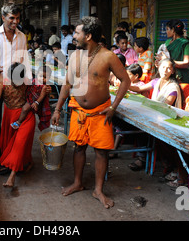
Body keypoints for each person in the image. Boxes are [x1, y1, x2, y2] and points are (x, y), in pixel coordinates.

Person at [51, 16, 131, 209]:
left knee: (101, 152)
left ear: (88, 35)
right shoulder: (75, 56)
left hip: (100, 113)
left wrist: (113, 107)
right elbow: (67, 84)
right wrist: (57, 109)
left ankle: (98, 190)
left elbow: (126, 81)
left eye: (77, 33)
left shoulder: (107, 56)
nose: (73, 36)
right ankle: (78, 183)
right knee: (78, 148)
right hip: (78, 113)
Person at [0, 4, 30, 175]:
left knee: (14, 123)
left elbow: (24, 60)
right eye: (11, 18)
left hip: (15, 87)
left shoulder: (22, 37)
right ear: (3, 17)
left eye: (17, 18)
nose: (15, 21)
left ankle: (10, 158)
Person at [0, 62, 35, 188]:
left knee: (20, 143)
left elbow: (38, 92)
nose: (16, 83)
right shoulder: (3, 83)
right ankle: (27, 161)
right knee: (12, 144)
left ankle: (12, 176)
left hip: (26, 116)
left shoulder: (28, 81)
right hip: (10, 117)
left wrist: (44, 92)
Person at [11, 65, 52, 131]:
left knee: (25, 109)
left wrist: (36, 103)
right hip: (28, 96)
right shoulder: (33, 80)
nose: (42, 78)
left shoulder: (45, 87)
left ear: (49, 78)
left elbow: (42, 96)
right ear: (37, 74)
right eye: (41, 76)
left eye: (45, 77)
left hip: (33, 100)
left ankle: (18, 122)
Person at [156, 19, 189, 84]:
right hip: (167, 73)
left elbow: (186, 63)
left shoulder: (185, 43)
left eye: (167, 29)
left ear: (173, 30)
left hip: (180, 76)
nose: (166, 31)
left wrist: (168, 61)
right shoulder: (167, 42)